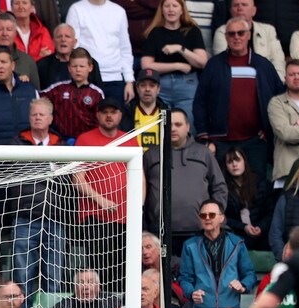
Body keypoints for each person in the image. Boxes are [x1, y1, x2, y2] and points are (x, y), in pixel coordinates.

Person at [194, 16, 284, 176]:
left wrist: (268, 127)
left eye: (241, 33)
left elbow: (279, 99)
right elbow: (200, 101)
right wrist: (204, 135)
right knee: (221, 186)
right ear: (226, 37)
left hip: (255, 141)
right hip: (219, 141)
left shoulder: (263, 65)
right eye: (232, 34)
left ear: (248, 35)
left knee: (257, 184)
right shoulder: (214, 65)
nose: (236, 37)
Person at [73, 96, 138, 290]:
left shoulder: (130, 139)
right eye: (105, 112)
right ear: (98, 115)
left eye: (113, 112)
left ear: (120, 115)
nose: (109, 116)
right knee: (100, 270)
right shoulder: (85, 139)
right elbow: (78, 179)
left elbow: (139, 177)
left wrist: (138, 207)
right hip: (95, 217)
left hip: (126, 218)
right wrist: (101, 200)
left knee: (123, 271)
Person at [143, 108, 228, 249]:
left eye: (178, 124)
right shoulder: (150, 155)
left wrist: (213, 217)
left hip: (199, 231)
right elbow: (140, 193)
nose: (173, 129)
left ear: (188, 127)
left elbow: (219, 187)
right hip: (159, 233)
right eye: (169, 124)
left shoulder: (204, 153)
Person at [9, 98, 67, 296]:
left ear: (50, 118)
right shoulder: (17, 142)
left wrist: (35, 166)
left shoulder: (62, 145)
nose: (37, 118)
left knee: (53, 279)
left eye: (42, 114)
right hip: (24, 219)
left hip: (55, 220)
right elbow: (19, 171)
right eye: (34, 114)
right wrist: (50, 167)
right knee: (22, 277)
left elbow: (66, 178)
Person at [139, 0, 207, 123]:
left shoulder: (192, 31)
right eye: (167, 6)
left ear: (182, 10)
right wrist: (177, 65)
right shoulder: (154, 33)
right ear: (162, 10)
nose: (171, 9)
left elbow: (202, 62)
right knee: (161, 127)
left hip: (187, 84)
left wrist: (180, 49)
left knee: (187, 125)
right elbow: (146, 65)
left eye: (175, 6)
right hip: (161, 86)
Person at [66, 0, 134, 105]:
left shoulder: (119, 11)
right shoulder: (76, 9)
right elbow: (73, 47)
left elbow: (125, 49)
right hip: (87, 79)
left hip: (115, 79)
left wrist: (129, 81)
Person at [213, 0, 286, 81]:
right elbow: (222, 65)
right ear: (231, 11)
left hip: (266, 82)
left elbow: (278, 62)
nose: (240, 8)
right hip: (233, 82)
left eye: (244, 5)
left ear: (254, 11)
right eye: (236, 5)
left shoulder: (268, 30)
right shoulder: (222, 31)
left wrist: (275, 84)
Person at [41, 47, 103, 140]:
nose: (78, 70)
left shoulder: (97, 93)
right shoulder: (58, 88)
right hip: (62, 140)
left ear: (90, 68)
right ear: (69, 68)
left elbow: (101, 119)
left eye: (82, 66)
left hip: (88, 140)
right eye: (74, 66)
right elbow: (37, 96)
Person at [36, 23, 103, 88]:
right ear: (53, 42)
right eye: (59, 36)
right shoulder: (42, 65)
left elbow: (98, 91)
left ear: (74, 42)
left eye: (67, 36)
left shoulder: (89, 63)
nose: (63, 40)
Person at [121, 67, 164, 150]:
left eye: (152, 85)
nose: (147, 89)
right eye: (143, 85)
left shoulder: (166, 113)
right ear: (137, 88)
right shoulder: (126, 113)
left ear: (159, 89)